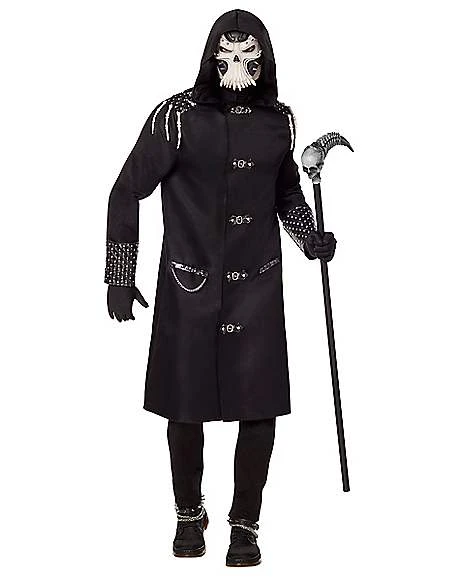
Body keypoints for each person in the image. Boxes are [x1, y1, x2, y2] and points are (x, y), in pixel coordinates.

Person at [104, 9, 336, 567]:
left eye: (249, 57)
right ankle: (189, 514)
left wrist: (309, 238)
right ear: (211, 56)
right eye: (227, 55)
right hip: (190, 284)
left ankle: (245, 525)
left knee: (259, 408)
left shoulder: (280, 121)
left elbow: (285, 193)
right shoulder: (176, 117)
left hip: (258, 286)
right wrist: (119, 274)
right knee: (185, 407)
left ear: (265, 61)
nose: (237, 66)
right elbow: (126, 189)